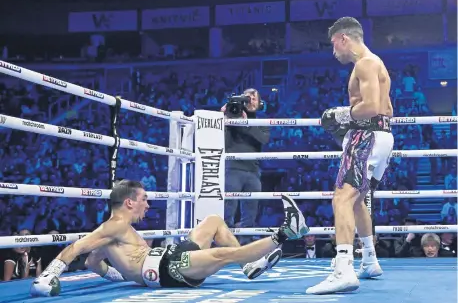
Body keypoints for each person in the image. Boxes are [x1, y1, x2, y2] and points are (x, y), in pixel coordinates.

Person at [30, 180, 309, 297]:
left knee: (213, 221)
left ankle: (248, 267)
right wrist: (49, 276)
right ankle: (286, 231)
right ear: (129, 203)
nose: (147, 205)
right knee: (221, 255)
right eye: (144, 200)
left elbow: (93, 262)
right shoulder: (114, 226)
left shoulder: (118, 233)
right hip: (168, 268)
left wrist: (123, 275)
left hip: (169, 256)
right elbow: (77, 248)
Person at [306, 17, 394, 295]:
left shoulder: (365, 63)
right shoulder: (376, 62)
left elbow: (370, 107)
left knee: (341, 197)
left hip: (366, 135)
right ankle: (369, 260)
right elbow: (387, 108)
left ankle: (343, 268)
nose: (333, 51)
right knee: (357, 201)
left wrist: (341, 114)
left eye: (334, 44)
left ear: (344, 38)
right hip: (380, 136)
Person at [221, 88, 282, 276]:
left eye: (253, 97)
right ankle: (225, 252)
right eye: (247, 96)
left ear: (258, 102)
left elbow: (263, 138)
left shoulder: (262, 121)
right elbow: (220, 135)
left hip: (253, 171)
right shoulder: (232, 113)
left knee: (250, 216)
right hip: (233, 168)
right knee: (228, 213)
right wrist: (224, 115)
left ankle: (246, 254)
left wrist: (245, 121)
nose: (250, 99)